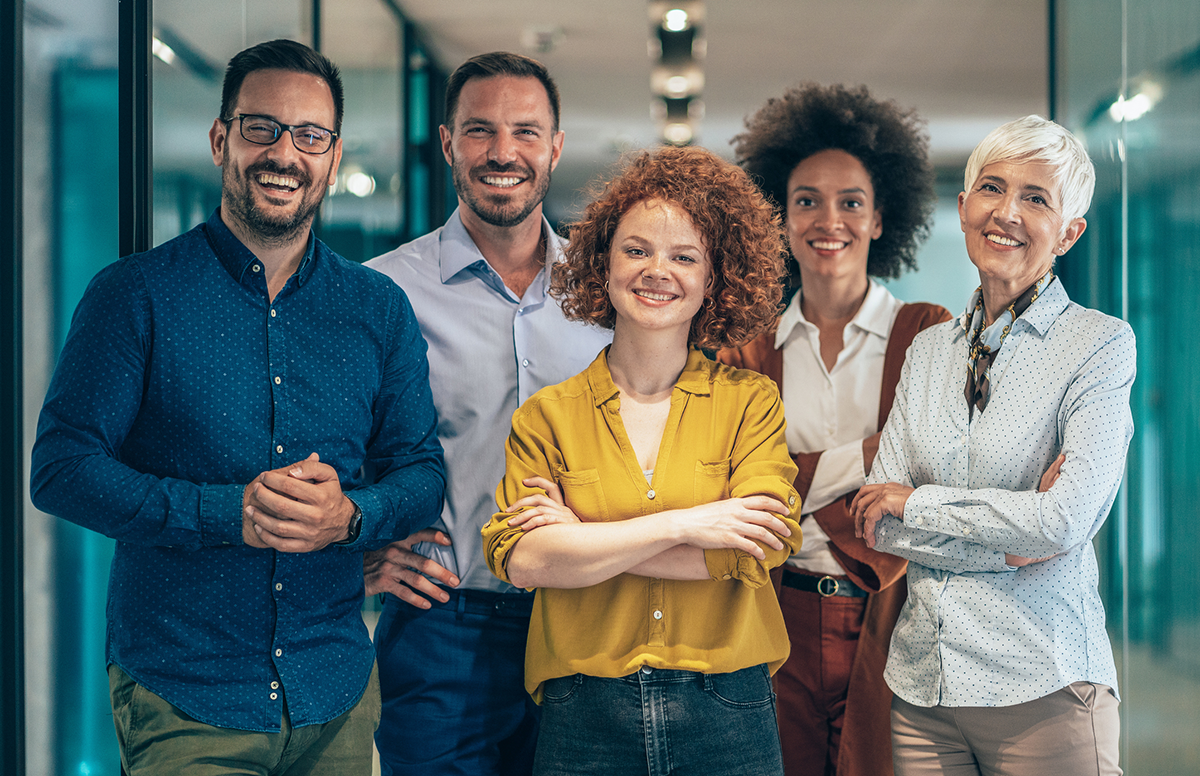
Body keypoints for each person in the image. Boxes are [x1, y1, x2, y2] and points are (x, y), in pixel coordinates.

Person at [30, 39, 445, 774]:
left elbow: (420, 470)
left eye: (310, 136)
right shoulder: (136, 294)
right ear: (221, 139)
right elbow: (62, 469)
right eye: (262, 128)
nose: (285, 153)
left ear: (333, 158)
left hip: (335, 693)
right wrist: (230, 514)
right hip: (185, 692)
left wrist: (349, 516)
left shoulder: (377, 309)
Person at [483, 145, 803, 776]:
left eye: (685, 257)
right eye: (636, 250)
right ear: (602, 266)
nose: (658, 271)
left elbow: (758, 546)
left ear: (713, 281)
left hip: (727, 708)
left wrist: (583, 543)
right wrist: (687, 525)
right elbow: (524, 560)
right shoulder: (548, 416)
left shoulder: (751, 402)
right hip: (583, 711)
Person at [853, 115, 1132, 776]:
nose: (1007, 212)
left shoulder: (1098, 346)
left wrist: (915, 503)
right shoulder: (927, 350)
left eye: (1036, 198)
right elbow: (876, 524)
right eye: (992, 188)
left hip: (1044, 687)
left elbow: (1062, 521)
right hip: (924, 691)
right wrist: (1012, 545)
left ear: (1069, 233)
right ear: (963, 207)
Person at [363, 52, 612, 776]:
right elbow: (333, 441)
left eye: (525, 132)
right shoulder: (383, 292)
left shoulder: (609, 294)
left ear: (554, 148)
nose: (504, 152)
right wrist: (358, 552)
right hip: (442, 625)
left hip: (585, 621)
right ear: (448, 143)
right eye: (480, 130)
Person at [717, 83, 950, 776]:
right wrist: (876, 457)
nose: (829, 219)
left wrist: (792, 481)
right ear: (780, 218)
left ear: (879, 219)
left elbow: (941, 466)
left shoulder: (928, 333)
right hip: (774, 617)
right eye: (806, 201)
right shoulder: (745, 347)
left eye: (851, 202)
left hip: (895, 615)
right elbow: (734, 487)